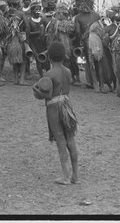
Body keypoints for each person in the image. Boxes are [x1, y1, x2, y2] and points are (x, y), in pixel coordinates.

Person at [32, 41, 79, 185]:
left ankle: (65, 176)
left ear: (49, 58)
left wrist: (36, 90)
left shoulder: (50, 73)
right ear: (64, 56)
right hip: (67, 106)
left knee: (60, 140)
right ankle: (75, 176)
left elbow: (48, 95)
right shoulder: (68, 71)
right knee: (71, 140)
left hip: (54, 108)